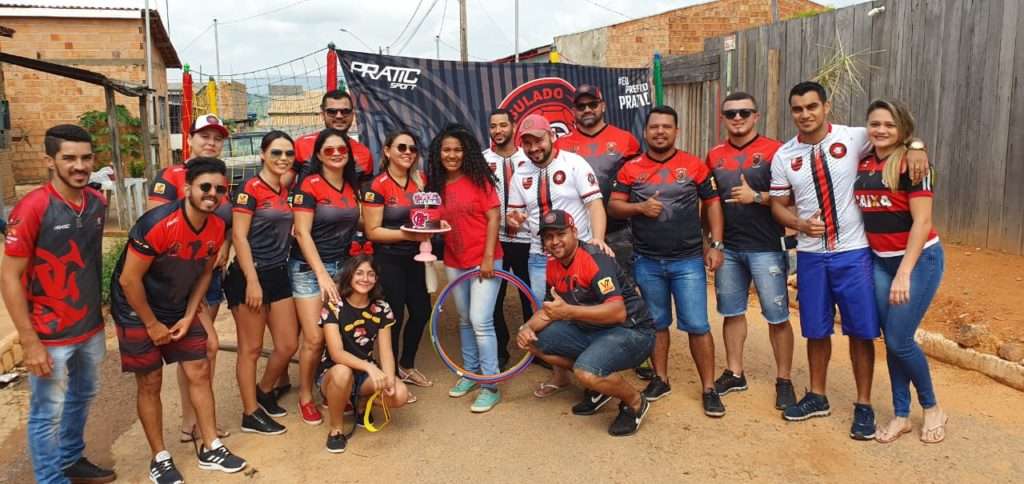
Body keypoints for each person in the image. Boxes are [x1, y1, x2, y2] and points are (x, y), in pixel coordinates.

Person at [769, 81, 928, 440]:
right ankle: (818, 395)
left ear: (826, 107)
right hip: (810, 255)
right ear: (792, 112)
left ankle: (863, 404)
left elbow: (897, 133)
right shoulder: (784, 155)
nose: (805, 114)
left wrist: (917, 145)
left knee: (861, 330)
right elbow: (777, 204)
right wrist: (797, 222)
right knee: (815, 329)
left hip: (854, 253)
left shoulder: (856, 137)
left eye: (812, 106)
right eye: (798, 109)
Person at [112, 158, 247, 482]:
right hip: (136, 307)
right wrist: (151, 324)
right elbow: (130, 281)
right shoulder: (158, 223)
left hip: (176, 305)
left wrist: (189, 316)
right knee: (150, 381)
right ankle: (159, 457)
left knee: (199, 369)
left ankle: (211, 445)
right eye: (205, 187)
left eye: (219, 189)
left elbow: (204, 273)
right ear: (187, 188)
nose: (212, 194)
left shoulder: (216, 226)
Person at [1, 124, 114, 484]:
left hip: (89, 327)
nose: (79, 166)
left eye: (85, 158)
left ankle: (70, 459)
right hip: (49, 334)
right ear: (50, 160)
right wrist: (29, 340)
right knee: (47, 411)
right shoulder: (32, 208)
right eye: (69, 158)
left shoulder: (97, 203)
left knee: (83, 395)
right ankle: (51, 479)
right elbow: (9, 277)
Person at [609, 105, 726, 417]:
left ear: (677, 131)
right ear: (645, 132)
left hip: (688, 261)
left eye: (666, 127)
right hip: (647, 261)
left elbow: (713, 204)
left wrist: (715, 244)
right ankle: (661, 379)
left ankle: (709, 388)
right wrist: (639, 209)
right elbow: (614, 206)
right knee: (657, 324)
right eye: (654, 127)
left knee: (698, 325)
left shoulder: (695, 165)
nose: (660, 132)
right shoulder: (631, 168)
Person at [853, 100, 947, 444]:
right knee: (891, 341)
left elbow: (922, 222)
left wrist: (905, 272)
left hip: (918, 260)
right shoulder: (864, 159)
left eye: (889, 125)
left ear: (903, 129)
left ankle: (933, 407)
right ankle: (902, 415)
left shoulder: (914, 165)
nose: (881, 130)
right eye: (875, 123)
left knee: (899, 339)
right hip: (881, 260)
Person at [517, 210, 655, 437]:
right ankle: (599, 388)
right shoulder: (553, 264)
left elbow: (618, 312)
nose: (554, 242)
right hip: (595, 330)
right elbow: (549, 311)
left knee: (586, 371)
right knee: (534, 343)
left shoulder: (593, 258)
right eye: (548, 237)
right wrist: (526, 329)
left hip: (633, 331)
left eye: (560, 234)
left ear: (574, 231)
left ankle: (635, 402)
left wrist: (569, 312)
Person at [506, 113, 612, 405]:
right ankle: (561, 375)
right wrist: (513, 219)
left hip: (576, 257)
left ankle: (596, 371)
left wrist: (598, 240)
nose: (533, 148)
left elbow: (595, 204)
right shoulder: (521, 172)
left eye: (537, 140)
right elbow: (513, 216)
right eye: (526, 143)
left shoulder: (574, 163)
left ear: (552, 136)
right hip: (540, 257)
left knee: (586, 313)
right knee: (547, 315)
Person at [704, 92, 797, 411]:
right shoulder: (714, 155)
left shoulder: (777, 151)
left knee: (778, 316)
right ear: (723, 119)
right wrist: (712, 243)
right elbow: (709, 202)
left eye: (745, 112)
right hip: (729, 248)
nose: (738, 118)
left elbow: (792, 200)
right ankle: (735, 371)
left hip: (767, 247)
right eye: (731, 114)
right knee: (731, 312)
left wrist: (757, 197)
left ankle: (784, 380)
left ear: (756, 116)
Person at [147, 113, 233, 442]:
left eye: (217, 138)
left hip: (209, 276)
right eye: (204, 136)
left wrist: (223, 245)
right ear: (190, 139)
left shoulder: (219, 178)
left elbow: (220, 221)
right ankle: (196, 420)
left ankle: (191, 420)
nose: (210, 142)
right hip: (179, 278)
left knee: (194, 350)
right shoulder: (171, 176)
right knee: (203, 347)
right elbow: (152, 224)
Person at [225, 131, 299, 435]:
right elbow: (239, 235)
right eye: (277, 153)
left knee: (287, 344)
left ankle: (264, 390)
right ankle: (250, 413)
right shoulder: (249, 189)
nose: (283, 158)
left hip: (278, 271)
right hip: (249, 275)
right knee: (251, 348)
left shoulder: (282, 188)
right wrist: (252, 281)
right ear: (263, 154)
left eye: (288, 154)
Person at [426, 124, 504, 413]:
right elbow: (432, 220)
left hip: (485, 260)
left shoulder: (480, 180)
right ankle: (470, 374)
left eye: (457, 149)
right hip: (455, 261)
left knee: (480, 320)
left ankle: (490, 384)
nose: (452, 154)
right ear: (438, 152)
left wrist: (486, 258)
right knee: (464, 320)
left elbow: (494, 219)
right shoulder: (435, 184)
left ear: (467, 151)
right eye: (447, 149)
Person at [290, 128, 363, 425]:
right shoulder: (309, 185)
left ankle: (333, 388)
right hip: (309, 270)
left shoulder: (350, 186)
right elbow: (303, 233)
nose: (336, 154)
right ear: (319, 155)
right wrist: (321, 273)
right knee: (314, 338)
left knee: (339, 334)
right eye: (329, 150)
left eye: (341, 149)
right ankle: (305, 396)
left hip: (342, 268)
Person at [363, 130, 434, 394]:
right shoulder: (377, 185)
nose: (407, 152)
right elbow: (372, 231)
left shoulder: (421, 180)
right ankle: (390, 376)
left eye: (413, 149)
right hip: (388, 260)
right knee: (393, 317)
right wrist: (408, 234)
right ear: (387, 150)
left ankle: (406, 364)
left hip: (417, 258)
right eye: (401, 147)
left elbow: (428, 217)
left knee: (422, 312)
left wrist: (435, 227)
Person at [318, 255, 410, 453]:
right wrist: (370, 367)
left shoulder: (382, 308)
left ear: (376, 279)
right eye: (359, 273)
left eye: (371, 274)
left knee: (400, 395)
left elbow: (386, 352)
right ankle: (336, 429)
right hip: (334, 373)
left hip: (363, 375)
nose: (365, 278)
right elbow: (336, 353)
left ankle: (360, 404)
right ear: (349, 276)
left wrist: (390, 381)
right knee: (343, 372)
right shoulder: (334, 305)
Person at [555, 84, 642, 272]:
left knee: (623, 291)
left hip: (619, 233)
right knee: (581, 293)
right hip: (577, 235)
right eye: (581, 106)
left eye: (592, 104)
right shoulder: (561, 145)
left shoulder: (626, 140)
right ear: (573, 111)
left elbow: (640, 184)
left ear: (603, 106)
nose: (587, 109)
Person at [484, 108, 533, 369]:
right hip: (496, 241)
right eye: (493, 126)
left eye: (503, 125)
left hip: (527, 241)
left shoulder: (529, 156)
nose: (498, 130)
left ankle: (538, 350)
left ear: (514, 127)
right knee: (494, 299)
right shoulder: (481, 160)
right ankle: (500, 351)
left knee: (532, 297)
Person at [293, 90, 374, 185]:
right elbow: (283, 187)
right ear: (322, 114)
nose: (339, 116)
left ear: (352, 115)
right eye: (332, 112)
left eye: (345, 111)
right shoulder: (301, 144)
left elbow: (365, 193)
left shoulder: (364, 153)